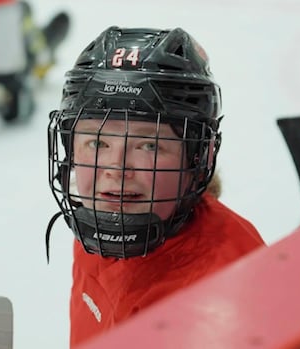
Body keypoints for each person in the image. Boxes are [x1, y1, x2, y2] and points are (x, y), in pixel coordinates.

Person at [45, 26, 267, 347]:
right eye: (97, 142)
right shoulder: (102, 224)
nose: (116, 169)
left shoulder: (220, 295)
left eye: (148, 146)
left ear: (197, 159)